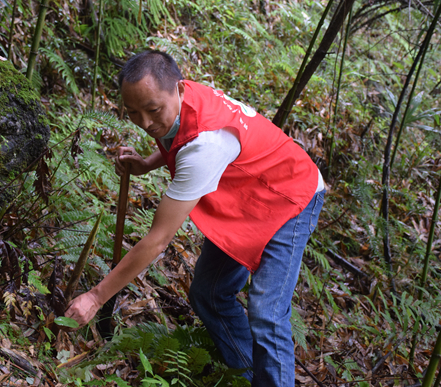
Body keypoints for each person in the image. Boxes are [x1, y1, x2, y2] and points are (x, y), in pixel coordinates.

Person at [65, 50, 325, 387]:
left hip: (292, 195)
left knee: (267, 312)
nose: (144, 123)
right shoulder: (179, 100)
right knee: (208, 292)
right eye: (132, 113)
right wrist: (148, 162)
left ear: (177, 89)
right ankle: (248, 377)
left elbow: (157, 240)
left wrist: (96, 297)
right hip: (250, 196)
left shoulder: (206, 146)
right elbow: (177, 135)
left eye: (152, 110)